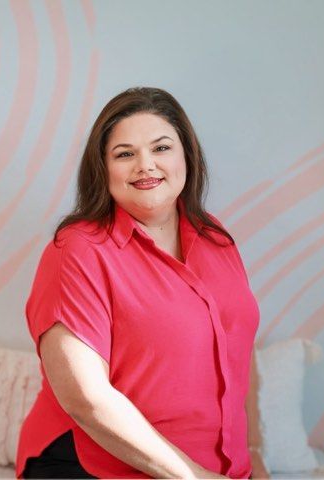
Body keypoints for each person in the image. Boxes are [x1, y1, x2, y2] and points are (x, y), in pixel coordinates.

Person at [15, 87, 269, 479]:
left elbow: (238, 350)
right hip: (93, 464)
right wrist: (197, 477)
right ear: (103, 169)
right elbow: (85, 399)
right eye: (125, 154)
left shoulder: (216, 237)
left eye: (161, 148)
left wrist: (253, 454)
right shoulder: (77, 250)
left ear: (186, 155)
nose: (145, 166)